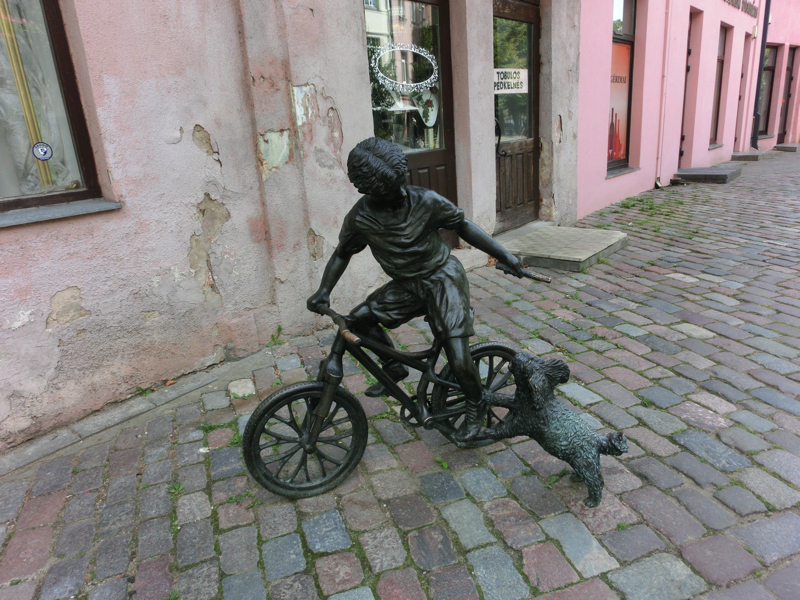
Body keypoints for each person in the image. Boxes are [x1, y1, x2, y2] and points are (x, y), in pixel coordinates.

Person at [307, 137, 525, 442]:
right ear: (369, 191)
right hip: (408, 285)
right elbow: (343, 253)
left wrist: (506, 256)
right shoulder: (360, 218)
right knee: (358, 321)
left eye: (401, 182)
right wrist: (324, 290)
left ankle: (476, 404)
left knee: (458, 357)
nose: (401, 192)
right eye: (390, 191)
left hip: (443, 278)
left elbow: (463, 227)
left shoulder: (426, 200)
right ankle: (394, 367)